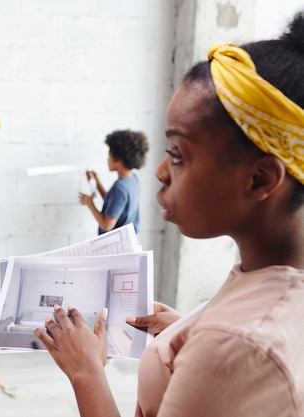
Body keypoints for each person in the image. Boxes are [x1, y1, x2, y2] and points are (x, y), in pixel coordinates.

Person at [35, 10, 304, 417]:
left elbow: (236, 349)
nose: (161, 172)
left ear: (260, 178)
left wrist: (85, 372)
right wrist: (187, 329)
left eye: (177, 155)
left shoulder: (236, 346)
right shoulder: (265, 290)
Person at [79, 129, 149, 234]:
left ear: (119, 159)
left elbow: (107, 225)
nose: (107, 159)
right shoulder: (133, 180)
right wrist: (97, 181)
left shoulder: (120, 188)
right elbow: (113, 203)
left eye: (109, 155)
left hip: (114, 246)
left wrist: (90, 203)